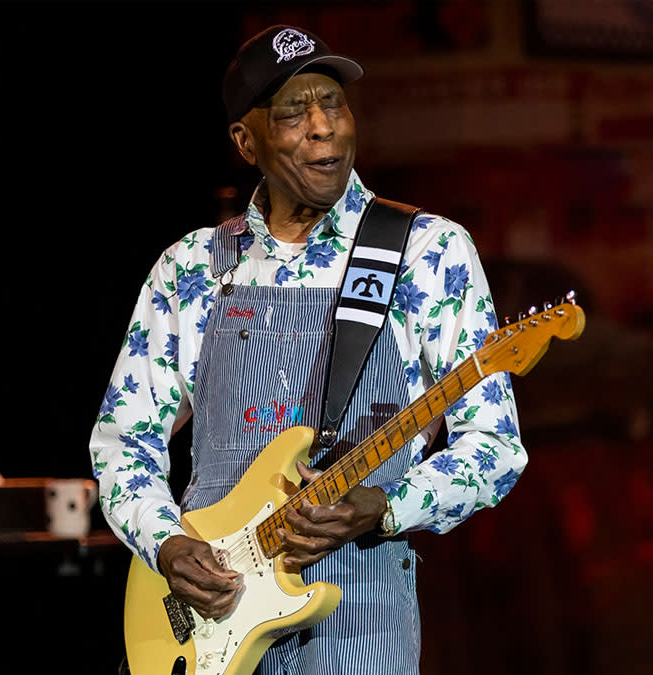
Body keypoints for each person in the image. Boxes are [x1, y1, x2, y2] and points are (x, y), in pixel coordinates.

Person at [89, 24, 527, 674]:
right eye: (293, 111)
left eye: (335, 103)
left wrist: (389, 504)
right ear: (246, 141)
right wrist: (168, 544)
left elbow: (495, 445)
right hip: (207, 621)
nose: (324, 127)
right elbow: (124, 442)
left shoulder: (428, 252)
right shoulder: (192, 268)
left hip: (361, 621)